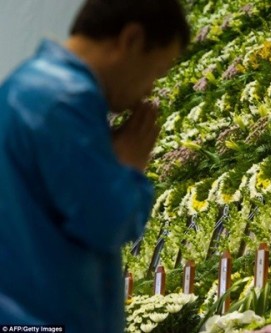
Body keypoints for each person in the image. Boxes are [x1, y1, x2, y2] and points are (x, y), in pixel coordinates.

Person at [0, 0, 189, 332]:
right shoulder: (63, 99)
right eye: (156, 71)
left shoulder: (30, 89)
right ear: (131, 40)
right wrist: (130, 164)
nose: (149, 90)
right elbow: (108, 220)